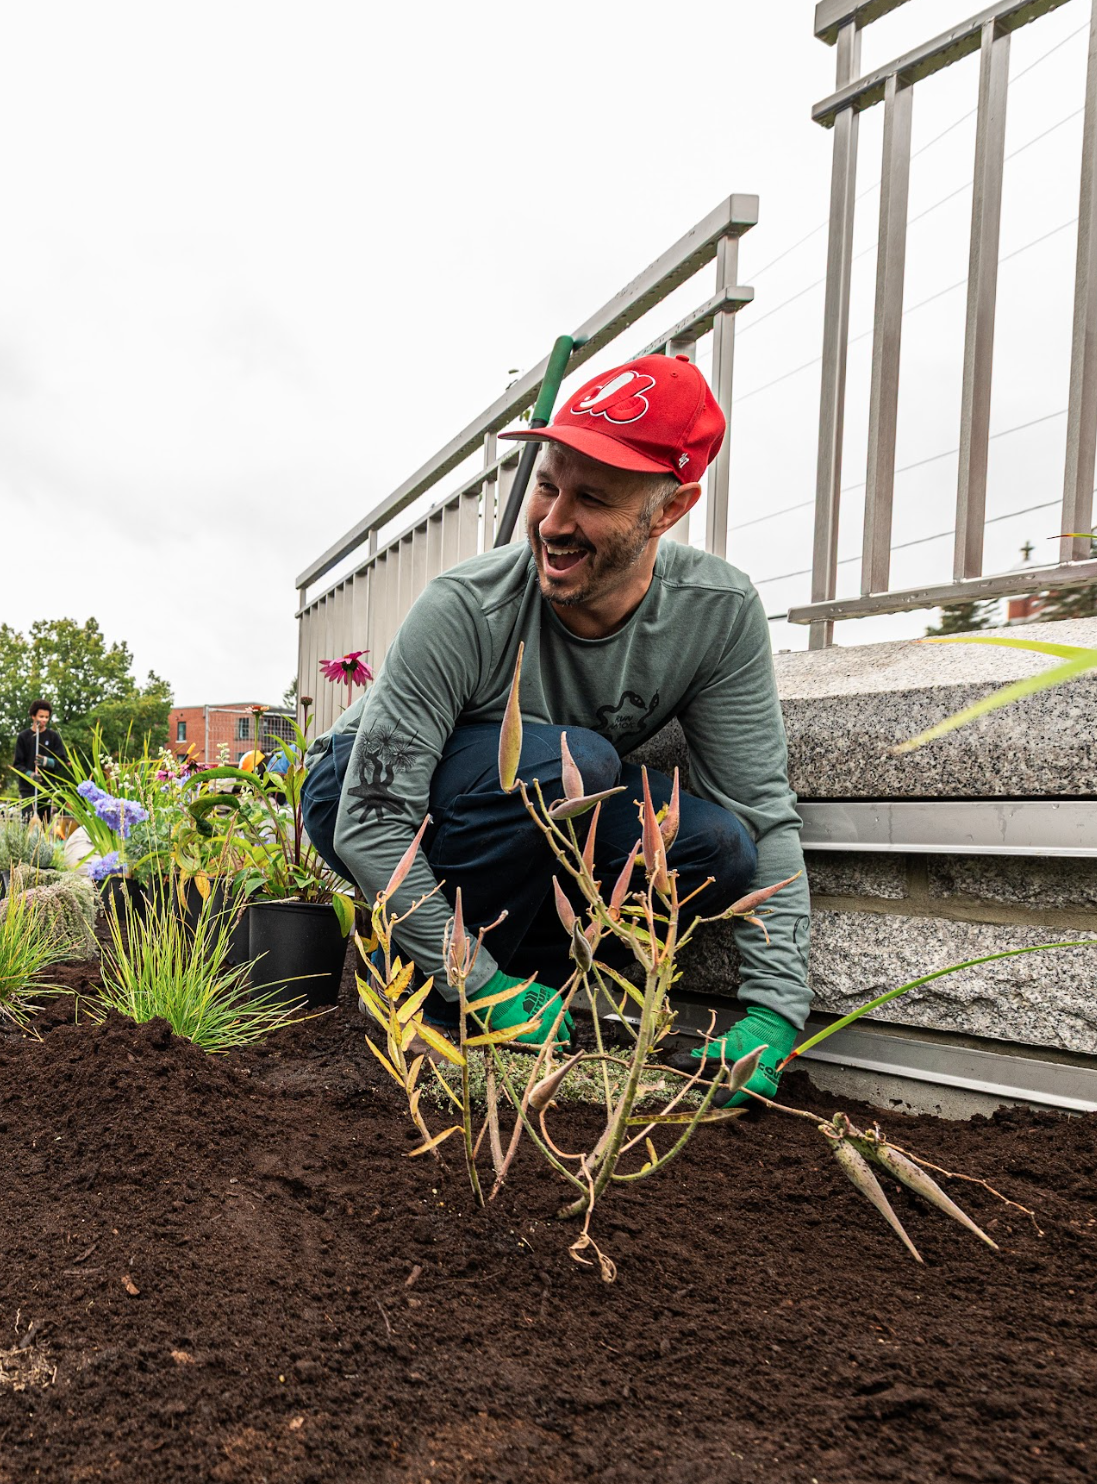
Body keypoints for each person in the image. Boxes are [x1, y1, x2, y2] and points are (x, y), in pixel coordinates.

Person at [301, 355, 809, 1104]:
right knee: (576, 759)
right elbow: (373, 824)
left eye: (592, 499)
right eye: (547, 483)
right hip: (363, 788)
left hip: (531, 794)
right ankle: (437, 995)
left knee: (710, 845)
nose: (553, 522)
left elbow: (763, 818)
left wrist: (774, 1012)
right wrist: (474, 981)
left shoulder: (716, 614)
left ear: (669, 510)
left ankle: (529, 988)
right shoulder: (466, 608)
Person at [12, 699, 68, 820]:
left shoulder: (53, 737)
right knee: (28, 821)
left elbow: (62, 762)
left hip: (46, 787)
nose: (44, 720)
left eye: (46, 717)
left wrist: (48, 762)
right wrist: (30, 774)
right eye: (41, 716)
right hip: (28, 788)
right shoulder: (23, 737)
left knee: (44, 823)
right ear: (33, 716)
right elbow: (17, 764)